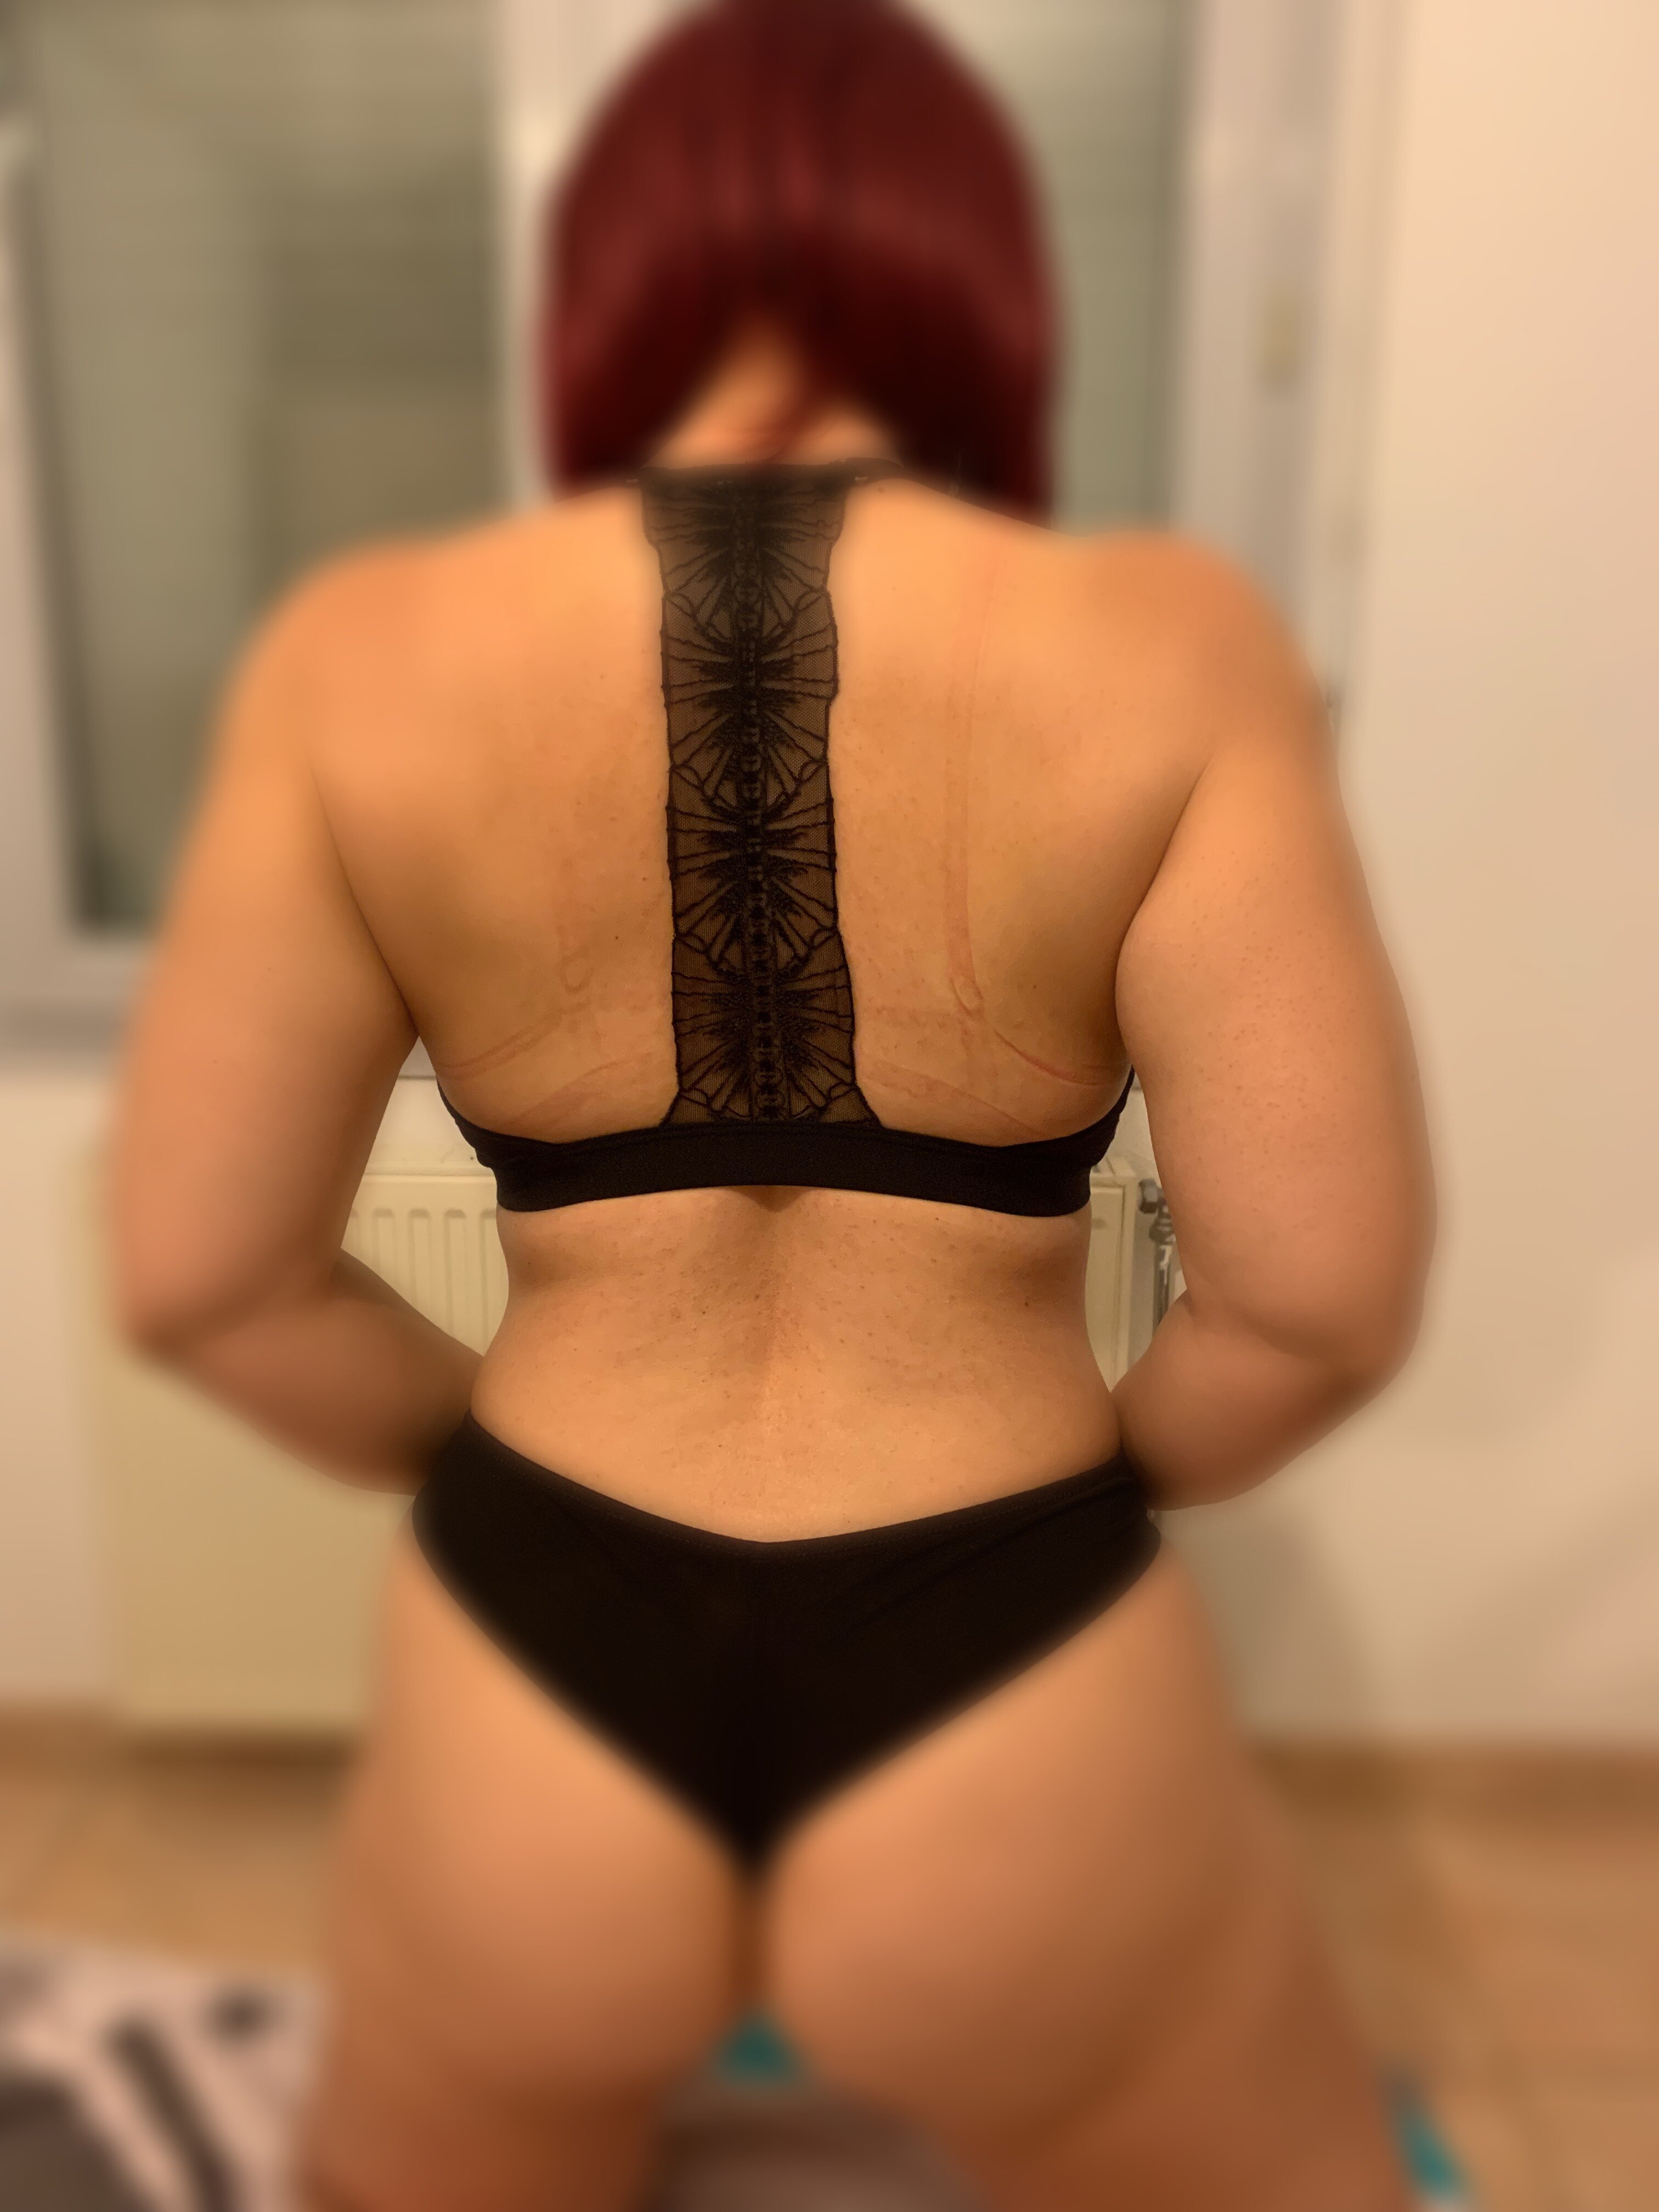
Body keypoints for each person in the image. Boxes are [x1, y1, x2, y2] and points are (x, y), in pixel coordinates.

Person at [110, 2, 1433, 2208]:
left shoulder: (363, 659)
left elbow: (202, 1276)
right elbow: (1316, 1308)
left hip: (538, 1654)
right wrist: (1083, 1501)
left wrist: (490, 1457)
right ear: (977, 272)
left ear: (608, 281)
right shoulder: (1167, 648)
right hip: (1009, 1644)